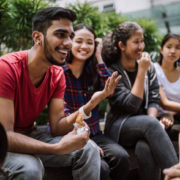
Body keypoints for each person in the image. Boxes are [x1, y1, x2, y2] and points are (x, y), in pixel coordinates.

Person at [0, 7, 120, 180]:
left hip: (28, 132)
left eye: (70, 36)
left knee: (89, 149)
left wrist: (88, 107)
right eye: (61, 34)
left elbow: (57, 127)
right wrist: (57, 149)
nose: (69, 43)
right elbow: (6, 136)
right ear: (37, 37)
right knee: (30, 169)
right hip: (3, 140)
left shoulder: (56, 74)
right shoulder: (7, 68)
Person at [102, 21, 178, 180]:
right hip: (119, 126)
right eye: (136, 42)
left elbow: (154, 98)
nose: (141, 46)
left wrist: (152, 120)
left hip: (144, 124)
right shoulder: (112, 71)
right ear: (122, 45)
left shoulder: (148, 67)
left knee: (145, 148)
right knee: (150, 124)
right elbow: (130, 105)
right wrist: (141, 71)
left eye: (142, 41)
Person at [63, 24, 129, 180]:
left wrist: (99, 56)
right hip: (70, 134)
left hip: (95, 133)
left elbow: (110, 90)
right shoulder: (59, 72)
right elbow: (63, 113)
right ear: (70, 42)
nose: (84, 46)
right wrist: (86, 141)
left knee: (122, 157)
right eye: (79, 41)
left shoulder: (92, 71)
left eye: (90, 42)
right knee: (102, 168)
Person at [154, 33, 180, 140]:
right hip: (161, 117)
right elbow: (164, 103)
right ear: (161, 50)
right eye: (169, 47)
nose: (173, 51)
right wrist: (168, 113)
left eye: (178, 47)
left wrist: (171, 113)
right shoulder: (154, 70)